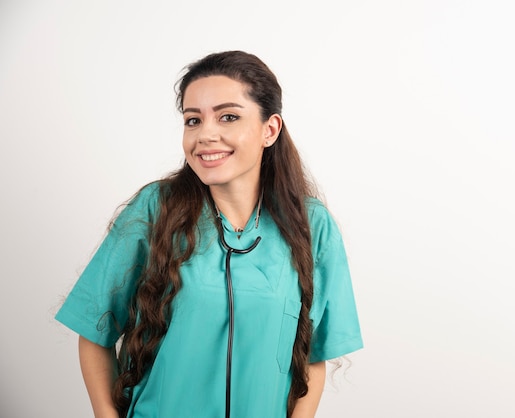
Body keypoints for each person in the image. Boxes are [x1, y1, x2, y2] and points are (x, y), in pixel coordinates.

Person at [55, 50, 363, 418]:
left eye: (228, 117)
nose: (206, 135)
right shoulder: (155, 209)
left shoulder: (313, 226)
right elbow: (94, 330)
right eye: (193, 120)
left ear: (270, 129)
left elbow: (313, 356)